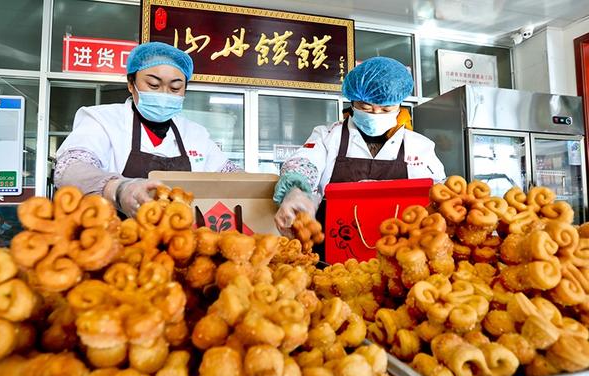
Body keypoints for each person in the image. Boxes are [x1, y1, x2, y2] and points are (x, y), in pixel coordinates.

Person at [55, 42, 241, 217]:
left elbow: (232, 176)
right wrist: (119, 189)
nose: (164, 94)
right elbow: (69, 169)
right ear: (131, 84)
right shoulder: (103, 121)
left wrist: (267, 188)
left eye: (175, 88)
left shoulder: (195, 134)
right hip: (113, 241)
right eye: (153, 85)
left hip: (178, 242)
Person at [273, 56, 445, 237]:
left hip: (400, 248)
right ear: (353, 102)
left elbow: (438, 190)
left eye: (386, 109)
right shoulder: (328, 136)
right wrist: (296, 191)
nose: (376, 113)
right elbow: (304, 163)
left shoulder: (418, 145)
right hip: (336, 247)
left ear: (400, 104)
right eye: (367, 107)